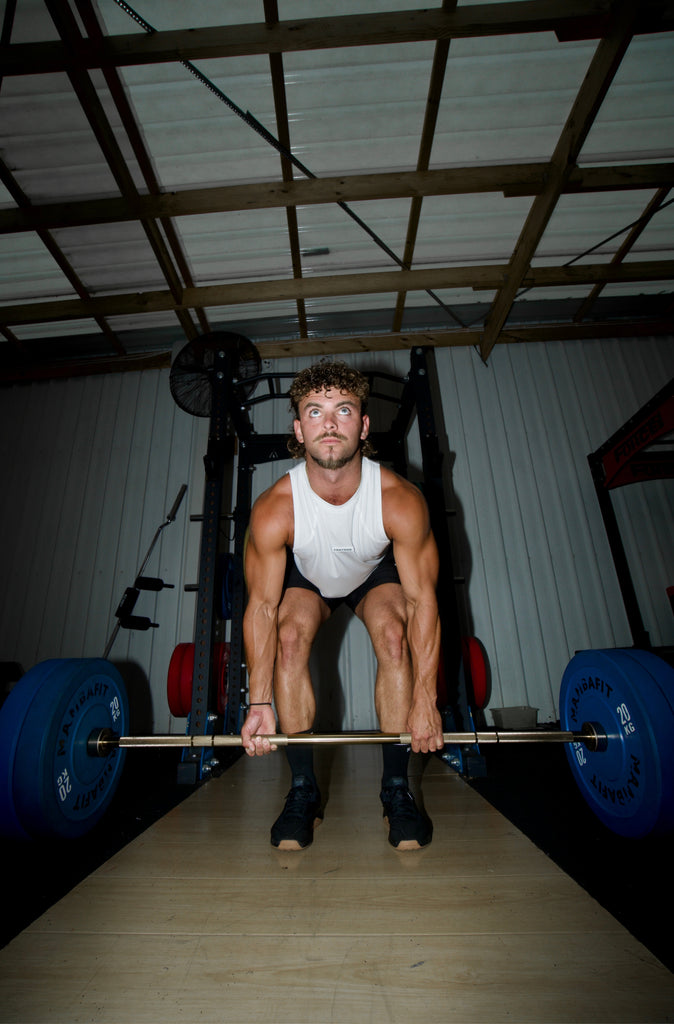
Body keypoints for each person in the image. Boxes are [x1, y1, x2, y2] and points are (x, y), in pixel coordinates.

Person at [240, 360, 444, 851]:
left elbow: (422, 602)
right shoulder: (275, 507)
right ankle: (303, 791)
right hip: (308, 576)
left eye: (343, 410)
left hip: (374, 574)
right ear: (298, 429)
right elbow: (263, 608)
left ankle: (396, 788)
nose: (329, 423)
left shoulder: (399, 499)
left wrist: (425, 700)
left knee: (394, 635)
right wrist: (258, 702)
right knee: (289, 640)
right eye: (315, 411)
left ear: (363, 425)